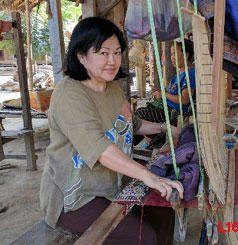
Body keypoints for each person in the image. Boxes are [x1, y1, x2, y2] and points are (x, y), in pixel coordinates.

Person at [40, 17, 183, 245]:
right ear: (81, 56)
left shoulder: (113, 88)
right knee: (142, 237)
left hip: (112, 185)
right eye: (103, 52)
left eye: (117, 53)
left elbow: (131, 125)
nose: (112, 60)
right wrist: (149, 176)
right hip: (76, 195)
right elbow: (99, 148)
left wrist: (167, 129)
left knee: (162, 210)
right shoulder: (68, 94)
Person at [135, 39, 195, 126]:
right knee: (138, 118)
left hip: (175, 114)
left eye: (175, 53)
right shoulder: (179, 74)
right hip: (166, 109)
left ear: (186, 55)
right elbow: (174, 92)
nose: (172, 57)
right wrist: (161, 91)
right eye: (171, 54)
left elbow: (185, 100)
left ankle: (155, 138)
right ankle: (153, 138)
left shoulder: (190, 74)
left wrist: (164, 94)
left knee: (140, 114)